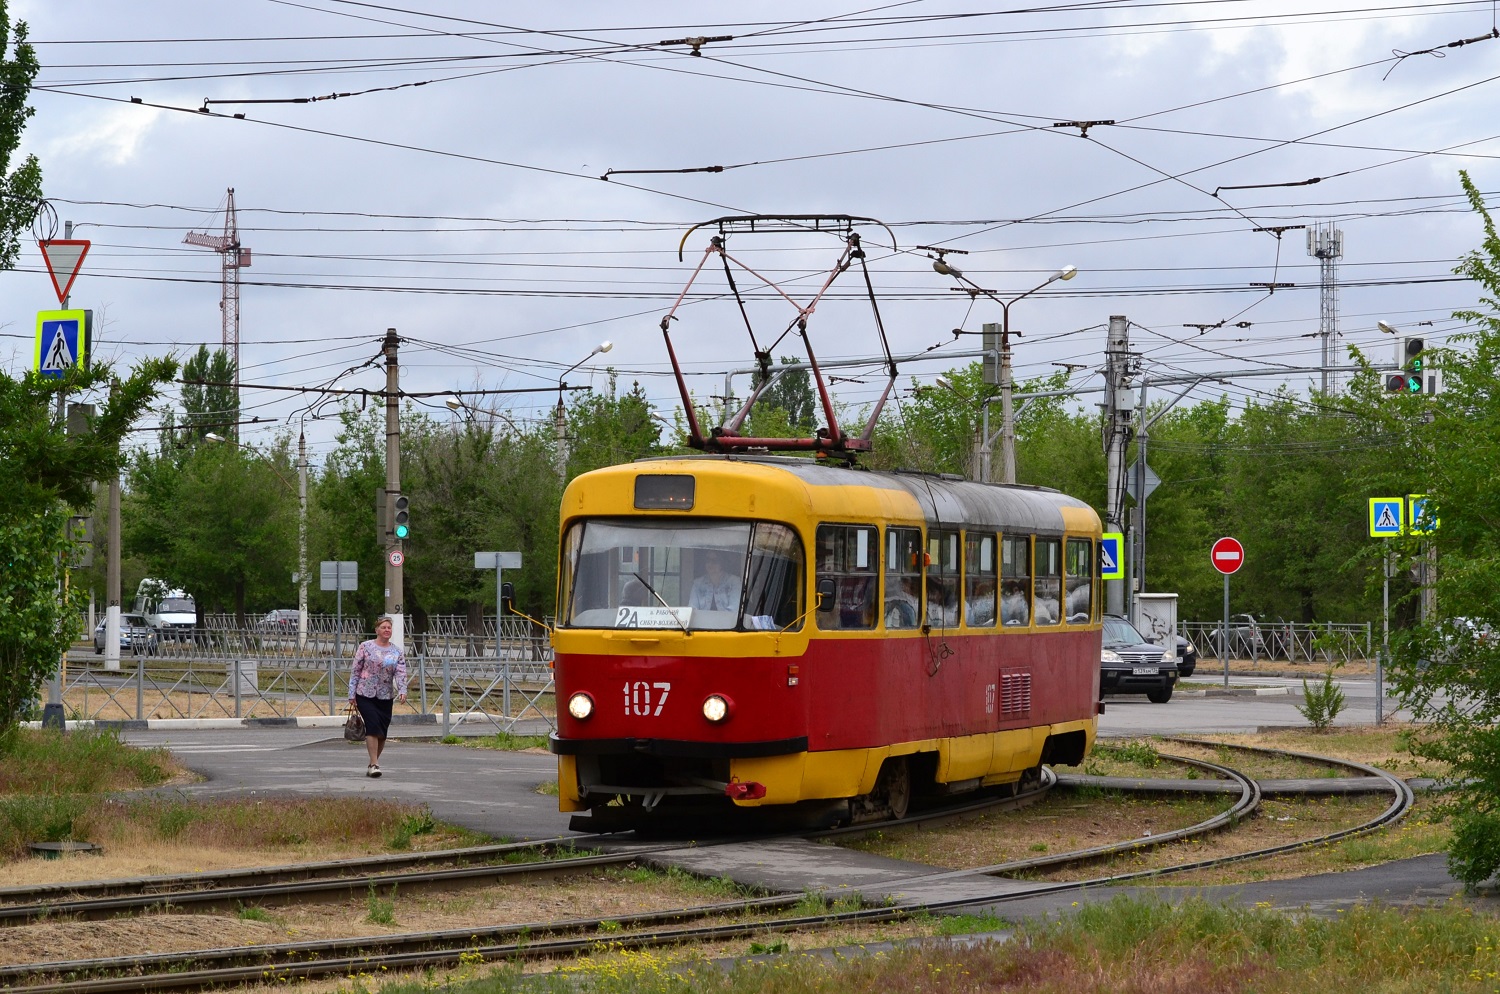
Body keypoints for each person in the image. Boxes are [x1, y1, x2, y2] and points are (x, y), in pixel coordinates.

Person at [348, 615, 408, 778]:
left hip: (385, 695)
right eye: (383, 627)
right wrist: (351, 693)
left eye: (389, 627)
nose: (387, 630)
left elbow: (401, 672)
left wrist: (402, 690)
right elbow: (355, 671)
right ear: (377, 630)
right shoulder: (365, 647)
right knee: (373, 725)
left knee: (382, 732)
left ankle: (372, 763)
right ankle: (375, 764)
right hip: (364, 693)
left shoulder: (396, 651)